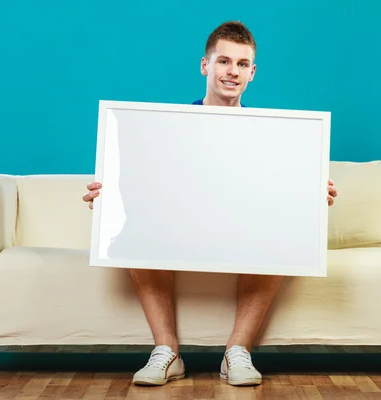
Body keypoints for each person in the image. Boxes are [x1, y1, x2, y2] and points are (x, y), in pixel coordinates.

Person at [82, 21, 338, 387]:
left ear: (252, 72)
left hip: (241, 230)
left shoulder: (272, 136)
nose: (232, 71)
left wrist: (309, 198)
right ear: (205, 65)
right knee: (132, 230)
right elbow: (141, 187)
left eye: (241, 63)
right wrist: (108, 201)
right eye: (223, 61)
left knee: (284, 234)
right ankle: (166, 351)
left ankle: (238, 352)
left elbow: (275, 195)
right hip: (180, 229)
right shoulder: (168, 129)